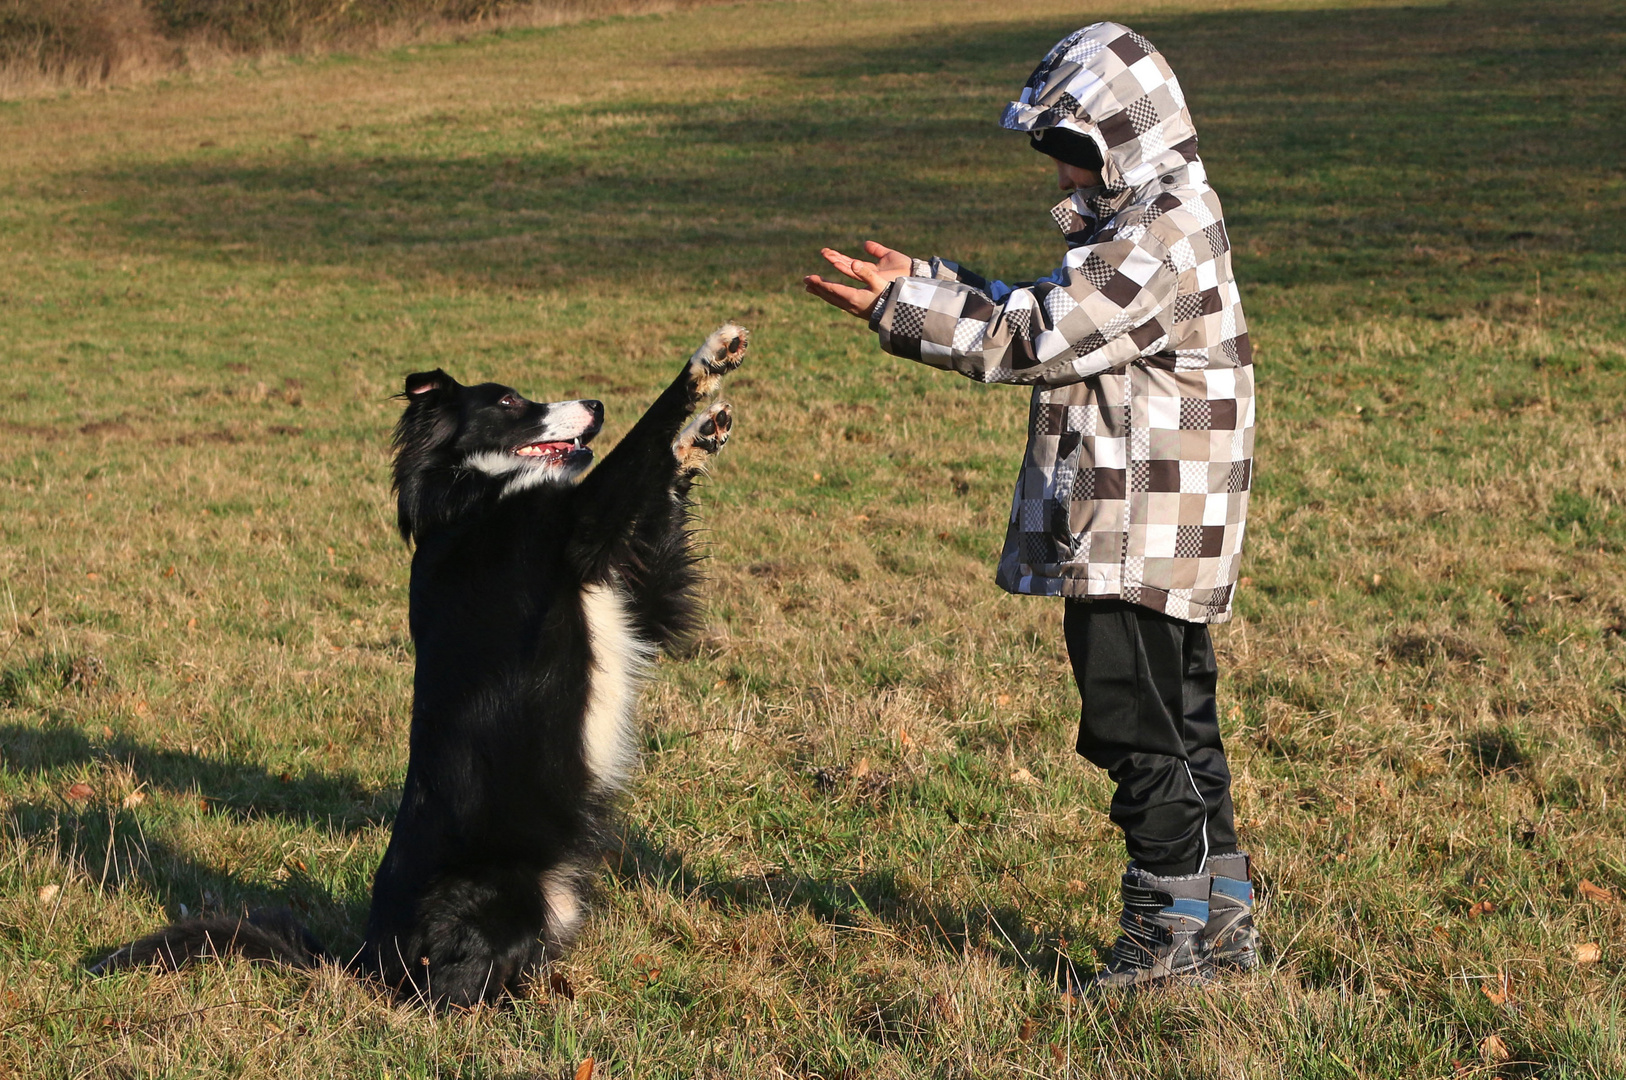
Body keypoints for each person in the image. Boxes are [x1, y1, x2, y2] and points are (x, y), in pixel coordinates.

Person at [804, 21, 1257, 989]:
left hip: (1137, 530)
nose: (1060, 179)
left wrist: (901, 311)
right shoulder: (1155, 217)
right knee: (1178, 722)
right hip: (1159, 527)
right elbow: (1061, 312)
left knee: (1134, 726)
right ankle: (1220, 920)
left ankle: (1171, 932)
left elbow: (1042, 337)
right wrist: (934, 285)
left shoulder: (1162, 233)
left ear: (1122, 140)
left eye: (1071, 157)